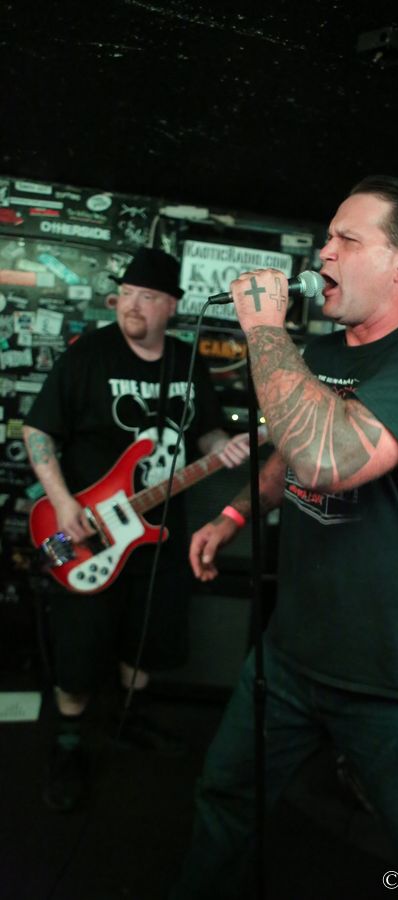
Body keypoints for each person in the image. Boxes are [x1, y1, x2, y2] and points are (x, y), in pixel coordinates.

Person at [170, 176, 398, 899]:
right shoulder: (318, 350)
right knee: (226, 800)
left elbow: (326, 455)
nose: (324, 252)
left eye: (347, 238)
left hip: (396, 677)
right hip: (292, 655)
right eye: (326, 236)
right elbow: (290, 451)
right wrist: (235, 514)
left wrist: (263, 330)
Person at [23, 247, 250, 813]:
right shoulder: (89, 355)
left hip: (160, 534)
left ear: (172, 305)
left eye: (147, 297)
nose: (132, 305)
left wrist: (225, 448)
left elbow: (206, 434)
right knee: (79, 648)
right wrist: (63, 503)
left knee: (149, 638)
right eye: (126, 293)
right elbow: (37, 432)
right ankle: (68, 744)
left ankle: (128, 722)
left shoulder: (187, 361)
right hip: (87, 532)